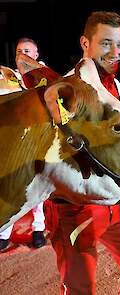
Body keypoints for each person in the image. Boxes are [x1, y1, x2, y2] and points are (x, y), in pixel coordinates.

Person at [44, 11, 120, 295]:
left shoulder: (115, 86)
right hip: (74, 207)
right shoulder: (68, 91)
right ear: (85, 43)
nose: (116, 53)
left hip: (114, 201)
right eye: (106, 43)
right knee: (81, 288)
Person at [0, 37, 46, 251]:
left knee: (36, 186)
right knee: (9, 185)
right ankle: (4, 231)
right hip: (13, 141)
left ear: (36, 54)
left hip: (37, 138)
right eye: (19, 50)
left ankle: (38, 229)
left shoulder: (46, 76)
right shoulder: (7, 77)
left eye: (27, 50)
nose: (23, 54)